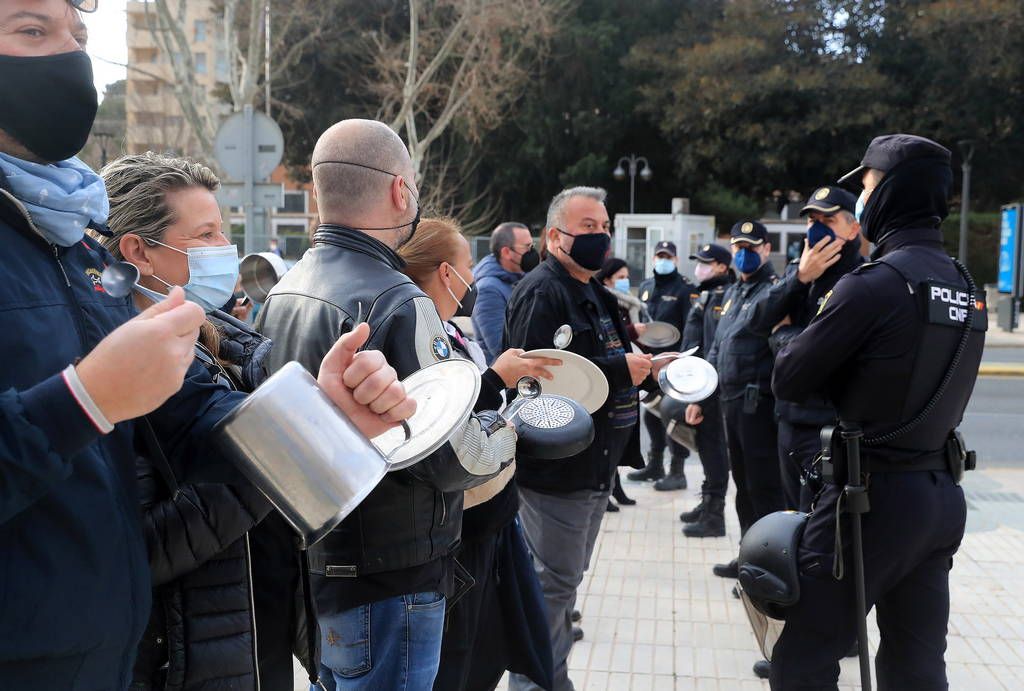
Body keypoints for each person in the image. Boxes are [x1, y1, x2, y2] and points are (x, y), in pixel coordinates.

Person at [0, 5, 412, 688]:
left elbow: (189, 417)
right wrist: (84, 400)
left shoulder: (70, 244)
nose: (70, 59)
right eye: (32, 31)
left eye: (79, 37)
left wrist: (323, 414)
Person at [255, 119, 517, 691]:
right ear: (401, 190)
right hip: (391, 575)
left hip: (317, 563)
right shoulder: (400, 299)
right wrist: (508, 425)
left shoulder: (282, 288)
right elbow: (452, 455)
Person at [769, 134, 985, 689]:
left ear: (888, 191)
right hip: (938, 498)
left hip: (871, 501)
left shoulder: (876, 284)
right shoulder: (966, 286)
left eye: (864, 184)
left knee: (802, 658)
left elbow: (790, 378)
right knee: (915, 665)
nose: (861, 198)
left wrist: (792, 338)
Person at [98, 152, 277, 690]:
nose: (224, 250)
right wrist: (266, 466)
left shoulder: (211, 339)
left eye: (222, 231)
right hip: (173, 661)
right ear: (139, 252)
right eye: (205, 235)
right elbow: (128, 554)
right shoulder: (114, 365)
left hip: (234, 643)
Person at [504, 186, 666, 691]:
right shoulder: (543, 291)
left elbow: (605, 356)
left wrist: (648, 366)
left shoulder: (593, 290)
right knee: (551, 588)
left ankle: (552, 678)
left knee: (561, 586)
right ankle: (538, 683)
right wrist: (622, 368)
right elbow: (530, 376)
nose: (601, 236)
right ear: (555, 237)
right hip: (557, 473)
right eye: (588, 228)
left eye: (605, 226)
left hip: (594, 466)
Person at [397, 216, 556, 691]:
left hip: (488, 519)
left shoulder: (445, 330)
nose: (475, 274)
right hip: (461, 528)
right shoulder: (421, 338)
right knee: (461, 661)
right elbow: (445, 427)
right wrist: (497, 386)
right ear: (447, 273)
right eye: (468, 264)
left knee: (489, 651)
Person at [748, 186, 863, 511]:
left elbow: (822, 351)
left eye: (828, 219)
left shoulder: (861, 278)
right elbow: (756, 322)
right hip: (788, 417)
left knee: (820, 525)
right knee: (789, 518)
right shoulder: (801, 271)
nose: (816, 227)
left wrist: (782, 335)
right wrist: (798, 279)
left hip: (829, 425)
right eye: (812, 219)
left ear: (853, 228)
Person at [699, 221, 785, 580]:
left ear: (766, 249)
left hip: (758, 405)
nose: (743, 253)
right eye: (738, 246)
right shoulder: (735, 291)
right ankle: (747, 556)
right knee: (744, 486)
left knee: (764, 488)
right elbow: (720, 346)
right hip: (730, 402)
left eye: (751, 246)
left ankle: (767, 566)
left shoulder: (774, 291)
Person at [678, 243, 735, 538]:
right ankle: (707, 503)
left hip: (711, 387)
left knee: (714, 449)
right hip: (698, 383)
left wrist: (702, 394)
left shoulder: (726, 296)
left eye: (706, 263)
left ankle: (715, 515)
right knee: (705, 447)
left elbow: (714, 348)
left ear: (722, 267)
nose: (700, 267)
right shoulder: (706, 294)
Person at [629, 241, 696, 491]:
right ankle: (655, 464)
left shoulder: (686, 289)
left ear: (676, 260)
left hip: (673, 362)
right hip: (649, 362)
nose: (663, 259)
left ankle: (677, 471)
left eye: (668, 256)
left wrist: (683, 360)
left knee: (671, 416)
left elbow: (692, 326)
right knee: (652, 416)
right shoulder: (646, 285)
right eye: (659, 255)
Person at [595, 257, 644, 511]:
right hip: (613, 379)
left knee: (618, 441)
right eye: (620, 276)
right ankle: (610, 489)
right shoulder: (602, 298)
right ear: (607, 279)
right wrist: (634, 331)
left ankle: (616, 487)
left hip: (628, 378)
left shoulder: (627, 303)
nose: (625, 281)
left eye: (627, 276)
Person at [472, 221, 539, 364]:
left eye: (532, 245)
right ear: (506, 252)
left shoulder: (524, 277)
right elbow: (500, 347)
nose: (532, 252)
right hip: (504, 376)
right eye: (527, 247)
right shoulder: (487, 290)